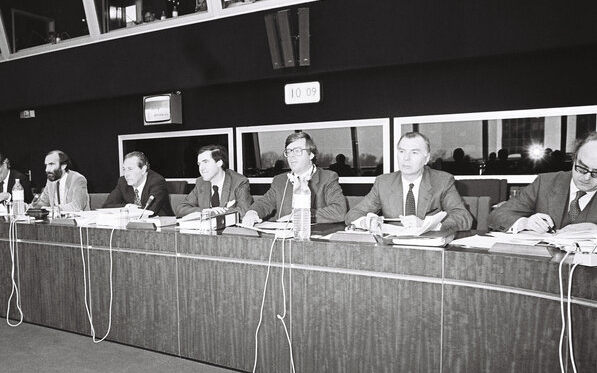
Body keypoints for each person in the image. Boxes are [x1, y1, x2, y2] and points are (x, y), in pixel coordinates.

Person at [345, 132, 473, 232]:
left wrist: (426, 225)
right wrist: (365, 222)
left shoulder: (442, 181)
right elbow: (353, 214)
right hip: (393, 250)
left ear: (426, 158)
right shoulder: (383, 182)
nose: (406, 158)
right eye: (402, 151)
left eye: (414, 152)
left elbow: (464, 218)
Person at [488, 133, 597, 232]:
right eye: (582, 168)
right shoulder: (545, 183)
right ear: (574, 160)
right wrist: (524, 223)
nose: (587, 177)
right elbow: (496, 216)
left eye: (596, 173)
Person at [242, 132, 347, 227]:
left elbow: (339, 211)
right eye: (288, 151)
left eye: (297, 151)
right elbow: (264, 203)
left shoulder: (328, 178)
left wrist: (300, 215)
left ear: (311, 154)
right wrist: (252, 212)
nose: (291, 156)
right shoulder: (280, 180)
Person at [175, 144, 252, 217]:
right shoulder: (201, 182)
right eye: (199, 164)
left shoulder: (239, 181)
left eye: (205, 162)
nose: (201, 168)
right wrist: (205, 211)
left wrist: (214, 213)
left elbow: (244, 211)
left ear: (219, 163)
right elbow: (180, 208)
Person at [103, 151, 173, 216]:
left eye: (130, 169)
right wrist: (128, 207)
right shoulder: (123, 182)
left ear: (143, 170)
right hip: (132, 225)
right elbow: (106, 206)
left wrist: (131, 210)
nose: (126, 174)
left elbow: (150, 211)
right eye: (124, 169)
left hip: (161, 225)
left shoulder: (157, 182)